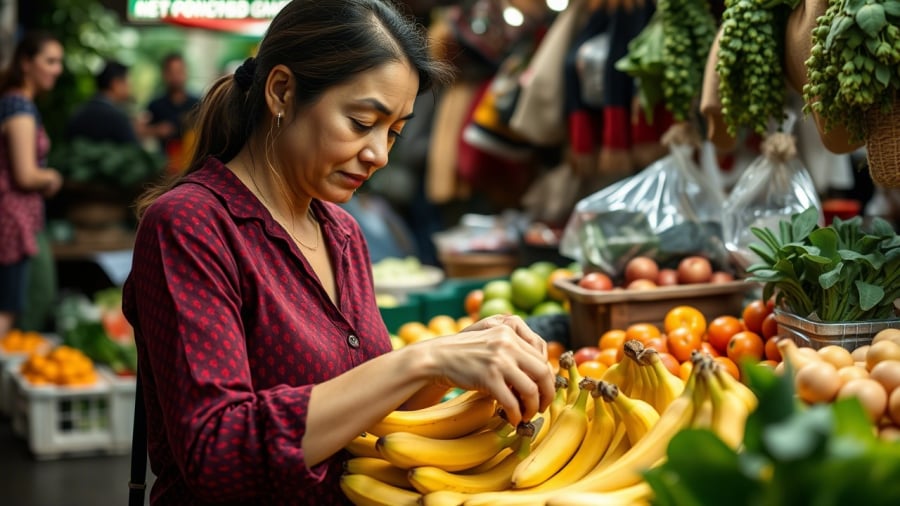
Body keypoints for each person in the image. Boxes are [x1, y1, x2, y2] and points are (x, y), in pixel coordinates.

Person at [122, 1, 555, 504]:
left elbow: (365, 412)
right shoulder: (191, 225)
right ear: (282, 91)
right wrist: (421, 359)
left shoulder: (342, 232)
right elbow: (217, 452)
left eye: (394, 131)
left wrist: (452, 360)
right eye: (360, 121)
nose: (380, 154)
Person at [0, 31, 64, 338]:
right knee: (10, 309)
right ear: (26, 63)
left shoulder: (13, 103)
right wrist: (51, 177)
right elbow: (25, 175)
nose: (57, 69)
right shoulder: (19, 108)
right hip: (14, 221)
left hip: (16, 219)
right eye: (50, 61)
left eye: (59, 62)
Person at [142, 52, 199, 171]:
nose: (176, 76)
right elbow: (140, 130)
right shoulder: (155, 105)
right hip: (163, 165)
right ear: (164, 74)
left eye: (179, 71)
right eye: (171, 72)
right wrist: (157, 130)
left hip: (192, 163)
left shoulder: (197, 103)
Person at [66, 60, 138, 144]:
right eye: (128, 83)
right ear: (116, 84)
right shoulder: (117, 118)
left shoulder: (78, 112)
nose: (130, 88)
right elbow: (132, 149)